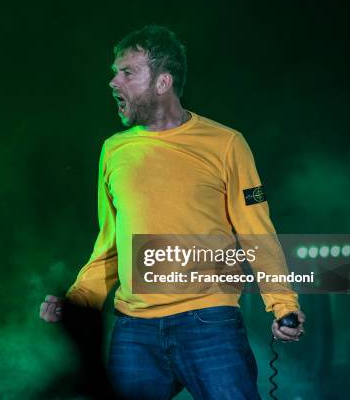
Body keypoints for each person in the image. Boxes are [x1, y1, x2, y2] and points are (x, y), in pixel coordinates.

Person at [40, 24, 306, 400]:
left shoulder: (226, 144)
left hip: (209, 322)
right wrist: (77, 301)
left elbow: (255, 231)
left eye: (127, 72)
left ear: (163, 82)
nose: (114, 82)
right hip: (134, 331)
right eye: (114, 72)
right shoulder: (114, 150)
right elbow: (111, 246)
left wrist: (283, 305)